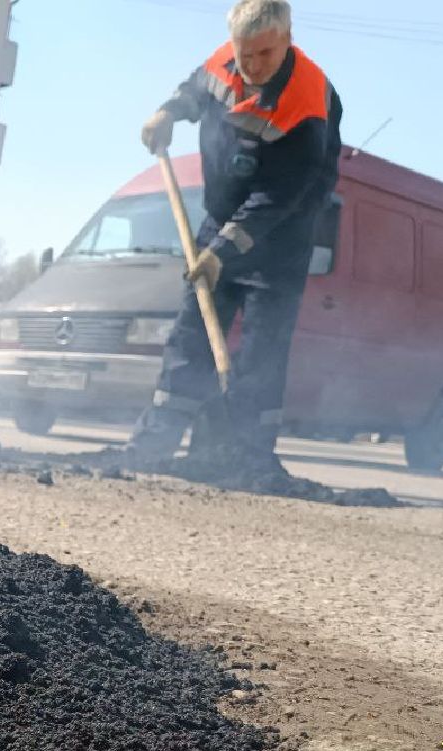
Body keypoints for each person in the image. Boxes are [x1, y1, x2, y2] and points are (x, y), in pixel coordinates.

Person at [130, 0, 341, 465]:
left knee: (263, 349)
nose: (253, 65)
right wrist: (168, 112)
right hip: (219, 216)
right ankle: (152, 447)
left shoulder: (308, 101)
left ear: (287, 40)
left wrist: (221, 251)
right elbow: (195, 88)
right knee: (192, 334)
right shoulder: (226, 60)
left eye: (265, 53)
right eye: (246, 54)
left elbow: (280, 196)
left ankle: (242, 458)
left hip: (281, 233)